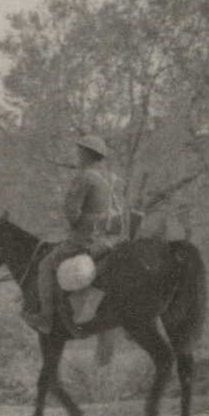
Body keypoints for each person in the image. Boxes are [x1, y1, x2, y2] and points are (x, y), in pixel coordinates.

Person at [27, 135, 125, 336]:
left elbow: (72, 213)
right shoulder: (116, 179)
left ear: (87, 154)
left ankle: (46, 317)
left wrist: (77, 225)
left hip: (88, 239)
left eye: (80, 151)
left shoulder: (85, 177)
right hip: (115, 238)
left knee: (46, 265)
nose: (78, 155)